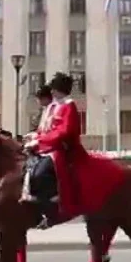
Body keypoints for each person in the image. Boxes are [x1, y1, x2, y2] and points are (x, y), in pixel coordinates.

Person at [22, 73, 88, 228]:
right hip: (47, 146)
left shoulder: (69, 106)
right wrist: (34, 136)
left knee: (40, 173)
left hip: (61, 149)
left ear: (60, 90)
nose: (51, 92)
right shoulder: (52, 106)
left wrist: (39, 141)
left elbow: (63, 132)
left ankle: (51, 209)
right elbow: (45, 129)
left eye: (53, 89)